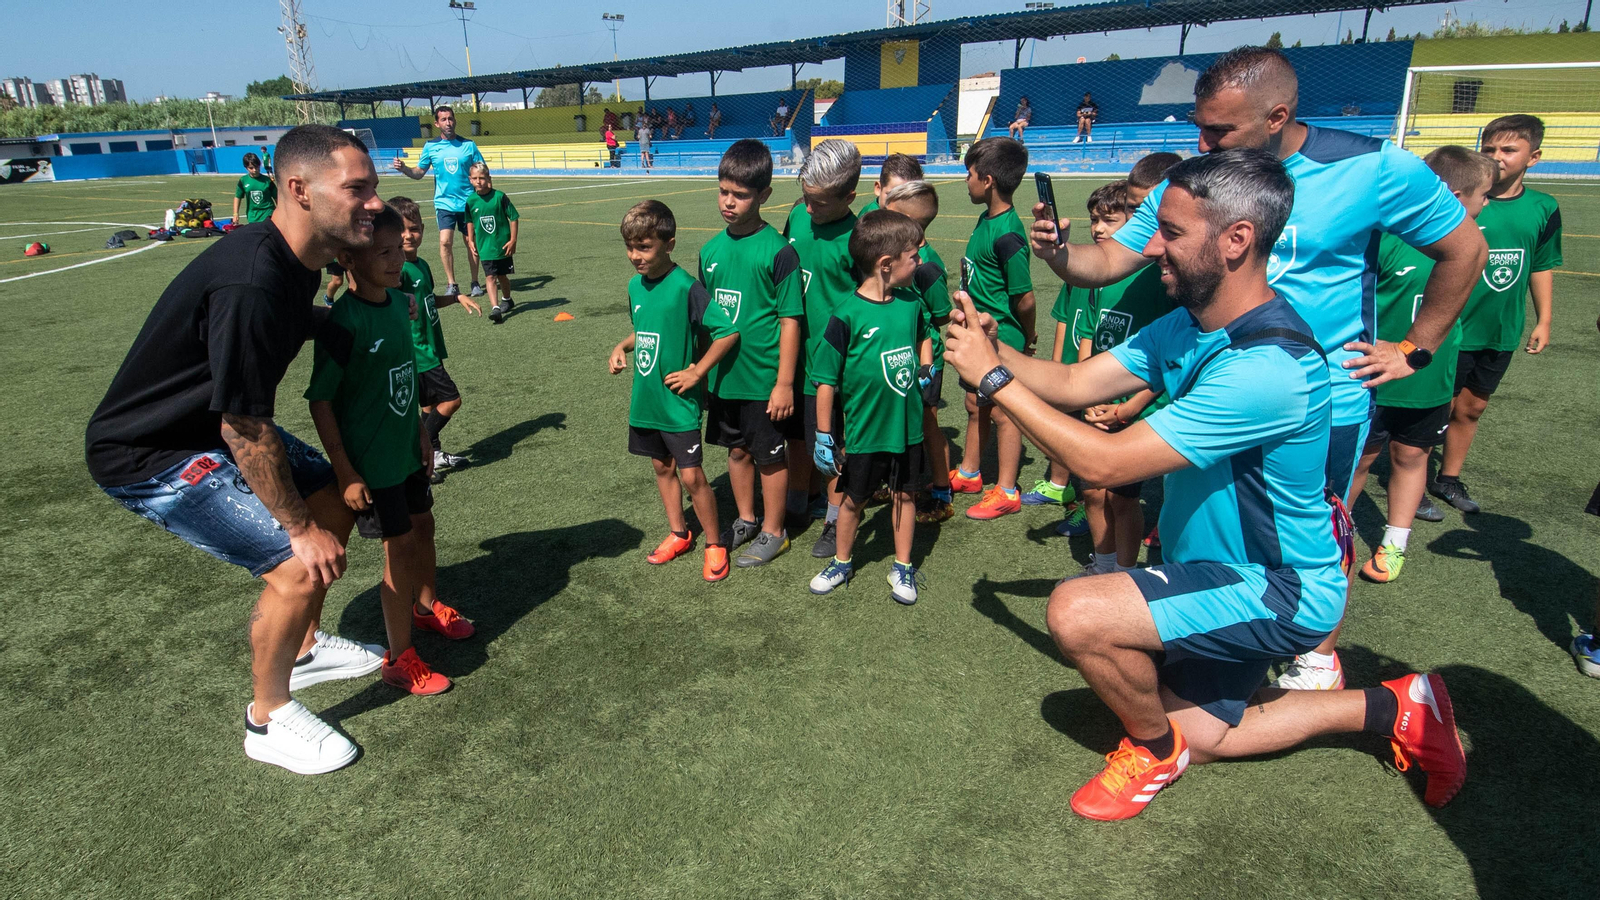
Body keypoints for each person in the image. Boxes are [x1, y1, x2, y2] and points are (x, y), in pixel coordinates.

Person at [945, 148, 1467, 821]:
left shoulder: (1266, 367)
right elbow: (1076, 383)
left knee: (1077, 612)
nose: (1153, 246)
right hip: (1222, 571)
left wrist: (994, 380)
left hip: (1278, 586)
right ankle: (1398, 705)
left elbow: (1104, 465)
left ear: (1236, 240)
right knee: (1208, 734)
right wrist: (992, 348)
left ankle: (1151, 751)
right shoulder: (1192, 325)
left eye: (1171, 231)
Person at [1027, 46, 1488, 692]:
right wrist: (1059, 256)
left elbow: (1465, 247)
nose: (1202, 141)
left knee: (1319, 529)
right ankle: (1225, 645)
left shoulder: (1371, 167)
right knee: (1212, 528)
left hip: (1322, 398)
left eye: (1219, 130)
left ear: (1277, 116)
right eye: (1198, 125)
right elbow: (1106, 263)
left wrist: (1414, 348)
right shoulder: (1199, 177)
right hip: (1217, 389)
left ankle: (1317, 657)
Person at [85, 125, 388, 775]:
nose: (375, 204)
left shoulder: (294, 259)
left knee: (337, 494)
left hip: (212, 427)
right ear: (300, 191)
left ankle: (301, 647)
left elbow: (287, 326)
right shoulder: (252, 279)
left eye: (375, 188)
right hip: (151, 453)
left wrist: (339, 328)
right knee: (297, 559)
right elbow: (244, 428)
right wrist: (297, 530)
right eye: (357, 189)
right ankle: (267, 716)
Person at [305, 203, 466, 702]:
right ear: (348, 262)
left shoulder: (401, 305)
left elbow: (409, 378)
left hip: (407, 452)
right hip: (372, 467)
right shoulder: (343, 323)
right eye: (383, 253)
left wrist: (423, 434)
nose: (397, 260)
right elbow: (321, 402)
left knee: (425, 528)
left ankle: (426, 605)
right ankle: (400, 660)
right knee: (397, 550)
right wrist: (346, 470)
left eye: (399, 249)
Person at [1351, 148, 1496, 584]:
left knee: (1413, 456)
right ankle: (1329, 533)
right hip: (1373, 378)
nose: (1486, 204)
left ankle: (1394, 543)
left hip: (1430, 378)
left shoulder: (1472, 247)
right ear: (1451, 195)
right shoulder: (1387, 241)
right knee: (1357, 461)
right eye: (1482, 195)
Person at [1429, 114, 1564, 515]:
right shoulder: (1460, 201)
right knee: (1436, 407)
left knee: (1473, 407)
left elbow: (1541, 264)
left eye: (1508, 150)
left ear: (1533, 157)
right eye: (1489, 149)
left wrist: (1544, 319)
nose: (1497, 157)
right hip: (1450, 327)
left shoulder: (1543, 207)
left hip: (1499, 327)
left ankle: (1448, 478)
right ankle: (1412, 476)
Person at [609, 200, 741, 581]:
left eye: (644, 247)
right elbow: (646, 331)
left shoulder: (687, 288)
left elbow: (727, 332)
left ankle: (715, 543)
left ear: (669, 243)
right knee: (660, 466)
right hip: (646, 400)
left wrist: (698, 371)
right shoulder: (635, 286)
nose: (635, 256)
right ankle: (679, 533)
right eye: (630, 247)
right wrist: (621, 347)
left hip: (678, 404)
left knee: (692, 476)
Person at [808, 210, 932, 605]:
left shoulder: (911, 304)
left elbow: (924, 334)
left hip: (907, 428)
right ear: (885, 264)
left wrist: (927, 368)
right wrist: (824, 434)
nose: (919, 262)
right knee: (852, 500)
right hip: (864, 432)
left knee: (905, 496)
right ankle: (842, 562)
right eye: (913, 256)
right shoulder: (846, 315)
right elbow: (825, 379)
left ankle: (903, 565)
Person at [701, 139, 805, 567]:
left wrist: (783, 383)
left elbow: (790, 321)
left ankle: (774, 530)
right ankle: (745, 518)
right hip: (726, 378)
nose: (729, 202)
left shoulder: (779, 251)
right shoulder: (709, 250)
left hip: (764, 381)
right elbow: (707, 320)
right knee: (737, 451)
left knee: (769, 456)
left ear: (763, 196)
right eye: (724, 191)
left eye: (741, 195)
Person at [1066, 180, 1172, 579]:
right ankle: (1103, 565)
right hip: (1098, 401)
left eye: (1110, 221)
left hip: (1137, 409)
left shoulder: (1158, 280)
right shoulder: (1100, 276)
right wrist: (1086, 394)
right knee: (1092, 490)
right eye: (1094, 220)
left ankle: (1126, 574)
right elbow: (1090, 336)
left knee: (1122, 498)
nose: (1098, 230)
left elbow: (1172, 356)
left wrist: (1129, 405)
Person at [783, 139, 862, 560]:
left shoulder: (860, 238)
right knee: (798, 434)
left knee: (831, 443)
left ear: (849, 196)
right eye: (806, 198)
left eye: (820, 203)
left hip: (833, 367)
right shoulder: (796, 215)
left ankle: (835, 518)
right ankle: (800, 499)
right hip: (792, 357)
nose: (809, 210)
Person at [952, 137, 1035, 520]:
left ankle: (1006, 489)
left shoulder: (1008, 233)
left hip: (1002, 338)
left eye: (969, 173)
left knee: (1003, 412)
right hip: (978, 336)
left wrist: (1028, 336)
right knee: (974, 405)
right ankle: (970, 473)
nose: (964, 180)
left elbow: (1025, 297)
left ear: (987, 180)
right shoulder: (987, 220)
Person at [389, 196, 482, 485]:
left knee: (428, 406)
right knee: (451, 400)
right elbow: (389, 305)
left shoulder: (422, 265)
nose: (408, 235)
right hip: (417, 351)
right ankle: (416, 454)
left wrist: (455, 297)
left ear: (423, 229)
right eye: (402, 229)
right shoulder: (398, 269)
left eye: (414, 228)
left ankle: (434, 455)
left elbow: (428, 300)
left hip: (430, 346)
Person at [882, 180, 956, 524]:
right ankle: (894, 482)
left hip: (925, 360)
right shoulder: (891, 256)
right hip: (895, 355)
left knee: (927, 423)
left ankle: (941, 492)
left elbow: (940, 315)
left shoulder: (926, 267)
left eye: (890, 215)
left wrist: (925, 360)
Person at [391, 106, 487, 299]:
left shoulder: (468, 145)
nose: (448, 123)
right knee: (445, 242)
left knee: (471, 242)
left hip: (468, 203)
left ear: (455, 121)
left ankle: (475, 282)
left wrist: (481, 193)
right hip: (444, 203)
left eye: (450, 119)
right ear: (437, 124)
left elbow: (481, 170)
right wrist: (404, 169)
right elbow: (419, 172)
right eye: (443, 119)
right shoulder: (430, 147)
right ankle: (452, 284)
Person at [462, 164, 520, 324]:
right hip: (485, 247)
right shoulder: (471, 201)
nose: (478, 181)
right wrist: (471, 239)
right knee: (490, 276)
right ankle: (495, 308)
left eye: (482, 178)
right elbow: (470, 221)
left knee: (502, 277)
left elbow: (514, 217)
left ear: (489, 179)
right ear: (470, 180)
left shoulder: (499, 197)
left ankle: (507, 299)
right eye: (475, 178)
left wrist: (513, 240)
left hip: (502, 246)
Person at [233, 152, 277, 225]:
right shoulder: (243, 181)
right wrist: (235, 214)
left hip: (269, 214)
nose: (255, 170)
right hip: (253, 216)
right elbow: (237, 197)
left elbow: (277, 198)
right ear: (246, 168)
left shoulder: (267, 181)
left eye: (256, 167)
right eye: (251, 168)